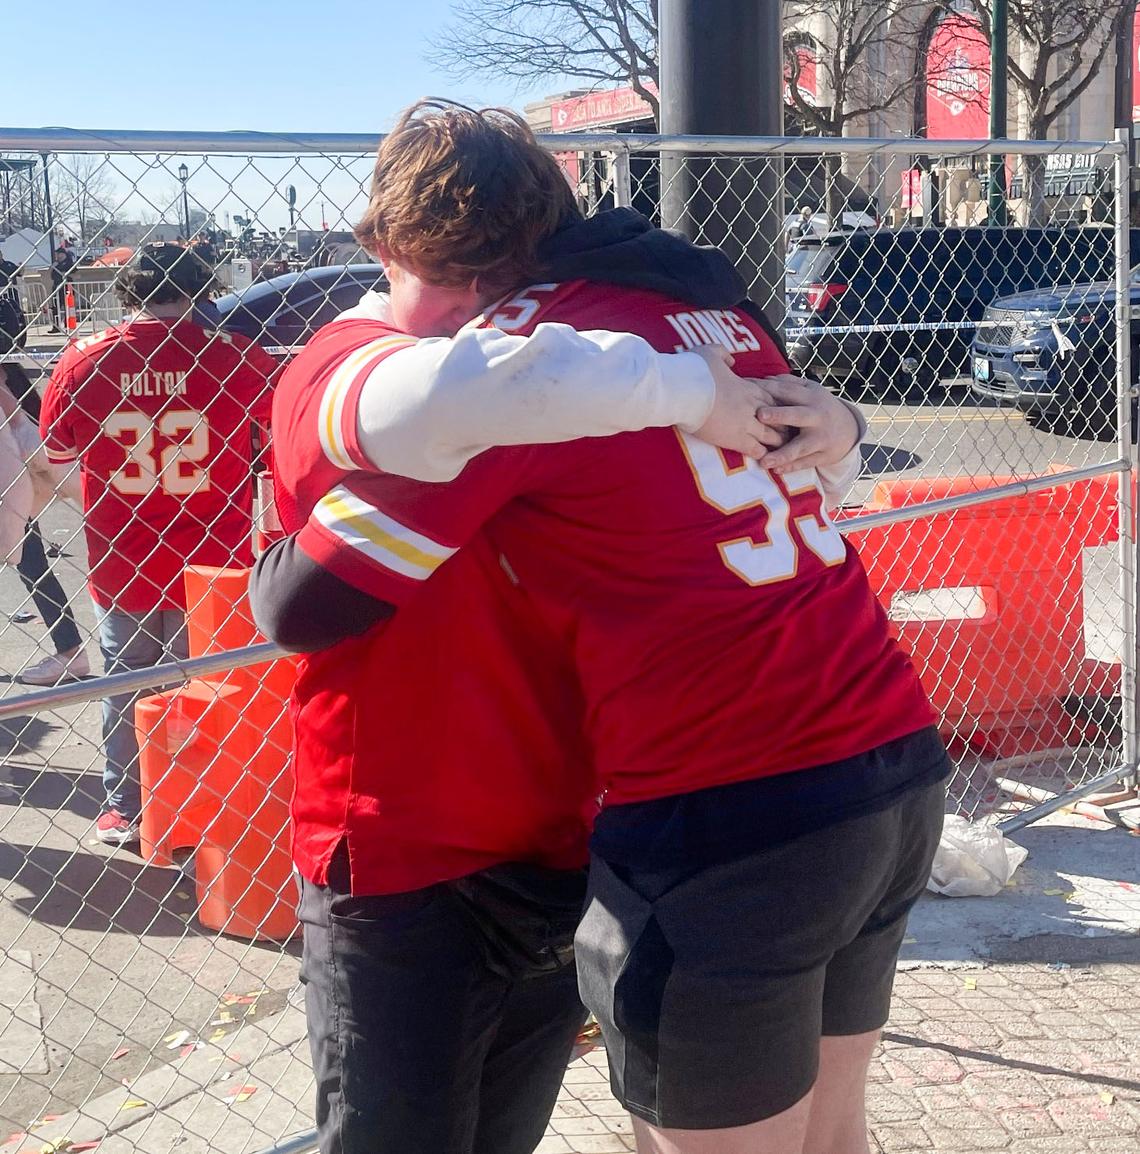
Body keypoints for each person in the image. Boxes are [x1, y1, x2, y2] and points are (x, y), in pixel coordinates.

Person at [254, 101, 949, 1154]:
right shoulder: (717, 315)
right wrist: (841, 424)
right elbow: (814, 469)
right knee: (836, 1130)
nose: (458, 310)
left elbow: (305, 602)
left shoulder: (522, 367)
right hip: (888, 755)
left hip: (724, 805)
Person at [38, 242, 279, 845]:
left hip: (123, 556)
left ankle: (128, 805)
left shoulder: (84, 360)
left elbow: (56, 458)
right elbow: (274, 450)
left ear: (126, 291)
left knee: (125, 683)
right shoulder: (236, 358)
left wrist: (104, 500)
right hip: (214, 559)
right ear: (200, 291)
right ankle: (206, 801)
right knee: (208, 683)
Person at [0, 362, 90, 683]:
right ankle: (69, 649)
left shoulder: (5, 383)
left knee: (33, 566)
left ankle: (70, 650)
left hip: (10, 491)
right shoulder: (9, 375)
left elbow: (19, 423)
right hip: (13, 491)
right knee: (33, 567)